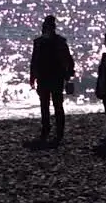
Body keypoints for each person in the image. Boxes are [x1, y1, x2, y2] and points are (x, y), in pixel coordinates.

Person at [29, 15, 75, 144]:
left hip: (47, 77)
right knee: (56, 104)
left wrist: (32, 76)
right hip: (54, 77)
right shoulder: (59, 41)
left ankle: (48, 130)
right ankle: (56, 131)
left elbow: (34, 61)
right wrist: (69, 74)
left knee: (47, 105)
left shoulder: (40, 42)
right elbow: (68, 59)